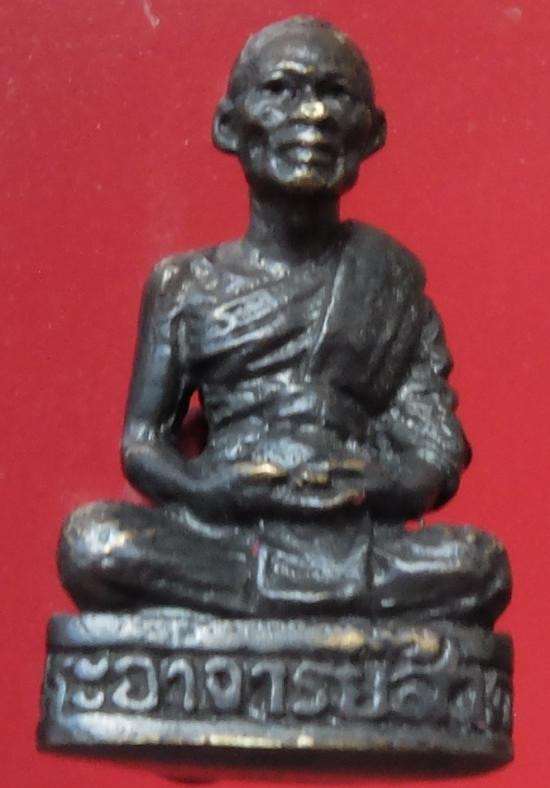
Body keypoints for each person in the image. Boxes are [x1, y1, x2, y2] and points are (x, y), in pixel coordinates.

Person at [58, 16, 510, 625]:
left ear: (371, 133)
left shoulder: (390, 285)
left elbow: (433, 451)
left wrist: (374, 484)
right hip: (225, 528)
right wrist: (207, 490)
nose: (313, 115)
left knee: (480, 565)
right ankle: (293, 606)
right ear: (228, 126)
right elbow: (143, 441)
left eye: (335, 94)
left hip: (353, 536)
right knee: (97, 545)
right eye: (281, 91)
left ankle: (256, 608)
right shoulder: (184, 285)